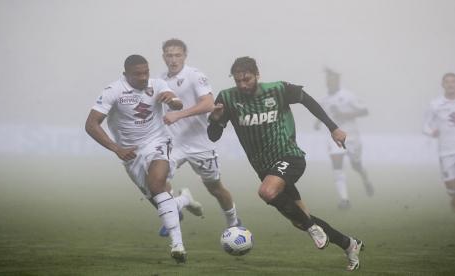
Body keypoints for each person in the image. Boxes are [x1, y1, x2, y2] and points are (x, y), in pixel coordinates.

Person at [207, 57, 364, 271]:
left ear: (257, 74)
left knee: (267, 192)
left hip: (289, 156)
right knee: (300, 218)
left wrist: (333, 128)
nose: (243, 85)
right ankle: (349, 244)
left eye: (247, 79)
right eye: (238, 81)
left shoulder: (278, 89)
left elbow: (307, 100)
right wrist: (215, 119)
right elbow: (213, 136)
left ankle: (311, 228)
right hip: (265, 168)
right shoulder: (227, 98)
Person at [85, 54, 195, 263]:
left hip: (158, 141)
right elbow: (91, 124)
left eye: (146, 72)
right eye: (138, 74)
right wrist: (116, 148)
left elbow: (176, 102)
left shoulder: (157, 84)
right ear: (125, 74)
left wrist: (173, 101)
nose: (144, 77)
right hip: (131, 153)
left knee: (156, 184)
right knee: (159, 198)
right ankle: (183, 200)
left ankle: (178, 245)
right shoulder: (113, 91)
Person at [157, 38, 240, 236]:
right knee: (157, 180)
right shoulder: (159, 80)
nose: (173, 59)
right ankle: (174, 211)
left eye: (177, 55)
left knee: (215, 188)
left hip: (199, 144)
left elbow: (208, 104)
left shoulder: (195, 76)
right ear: (163, 57)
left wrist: (178, 114)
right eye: (169, 55)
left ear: (185, 56)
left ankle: (234, 223)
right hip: (172, 144)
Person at [314, 67, 374, 209]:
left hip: (352, 137)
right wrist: (317, 123)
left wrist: (345, 115)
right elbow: (323, 114)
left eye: (332, 78)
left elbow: (365, 111)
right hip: (335, 137)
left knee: (356, 166)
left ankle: (365, 179)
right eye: (327, 79)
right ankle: (344, 200)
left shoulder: (348, 96)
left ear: (338, 80)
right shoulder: (324, 99)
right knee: (337, 164)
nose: (329, 81)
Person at [423, 72, 455, 211]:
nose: (450, 84)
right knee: (450, 185)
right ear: (442, 85)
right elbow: (425, 125)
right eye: (447, 82)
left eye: (453, 81)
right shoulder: (435, 104)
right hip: (446, 150)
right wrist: (432, 132)